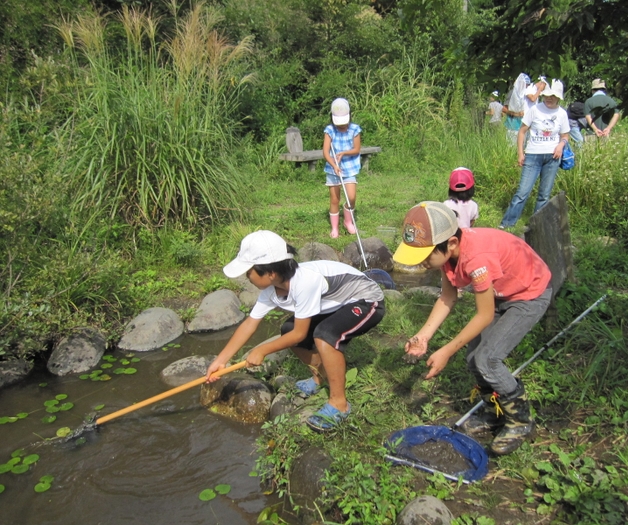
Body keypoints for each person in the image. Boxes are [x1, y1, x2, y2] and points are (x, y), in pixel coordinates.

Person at [393, 201, 552, 455]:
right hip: (502, 292)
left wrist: (446, 351)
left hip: (528, 294)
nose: (421, 263)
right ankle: (495, 414)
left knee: (488, 360)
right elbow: (447, 296)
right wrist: (423, 336)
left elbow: (485, 315)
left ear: (451, 244)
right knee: (472, 359)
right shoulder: (448, 255)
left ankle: (521, 422)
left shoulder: (476, 258)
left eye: (424, 257)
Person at [205, 230, 385, 431]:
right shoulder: (271, 290)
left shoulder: (304, 282)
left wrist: (262, 350)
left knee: (325, 336)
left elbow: (300, 333)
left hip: (366, 300)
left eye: (249, 272)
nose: (247, 277)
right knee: (287, 329)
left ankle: (339, 404)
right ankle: (320, 376)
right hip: (334, 304)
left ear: (270, 273)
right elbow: (250, 324)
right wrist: (221, 360)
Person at [499, 79, 570, 229]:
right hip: (532, 155)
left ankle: (537, 226)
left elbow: (565, 135)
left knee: (544, 194)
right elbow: (522, 131)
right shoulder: (535, 109)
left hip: (552, 157)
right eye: (547, 95)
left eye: (553, 96)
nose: (549, 98)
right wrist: (520, 153)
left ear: (558, 97)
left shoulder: (562, 113)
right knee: (522, 192)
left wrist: (561, 145)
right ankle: (507, 223)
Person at [323, 98, 362, 238]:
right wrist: (334, 165)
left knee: (351, 197)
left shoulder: (354, 129)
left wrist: (344, 153)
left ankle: (347, 221)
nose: (342, 125)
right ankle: (334, 228)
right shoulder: (329, 130)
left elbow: (357, 149)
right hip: (333, 169)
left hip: (349, 168)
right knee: (334, 200)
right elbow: (326, 152)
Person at [503, 73, 530, 144]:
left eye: (528, 85)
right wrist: (516, 114)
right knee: (511, 146)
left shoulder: (528, 94)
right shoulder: (512, 93)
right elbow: (504, 109)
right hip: (513, 126)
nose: (526, 87)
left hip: (525, 126)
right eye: (525, 84)